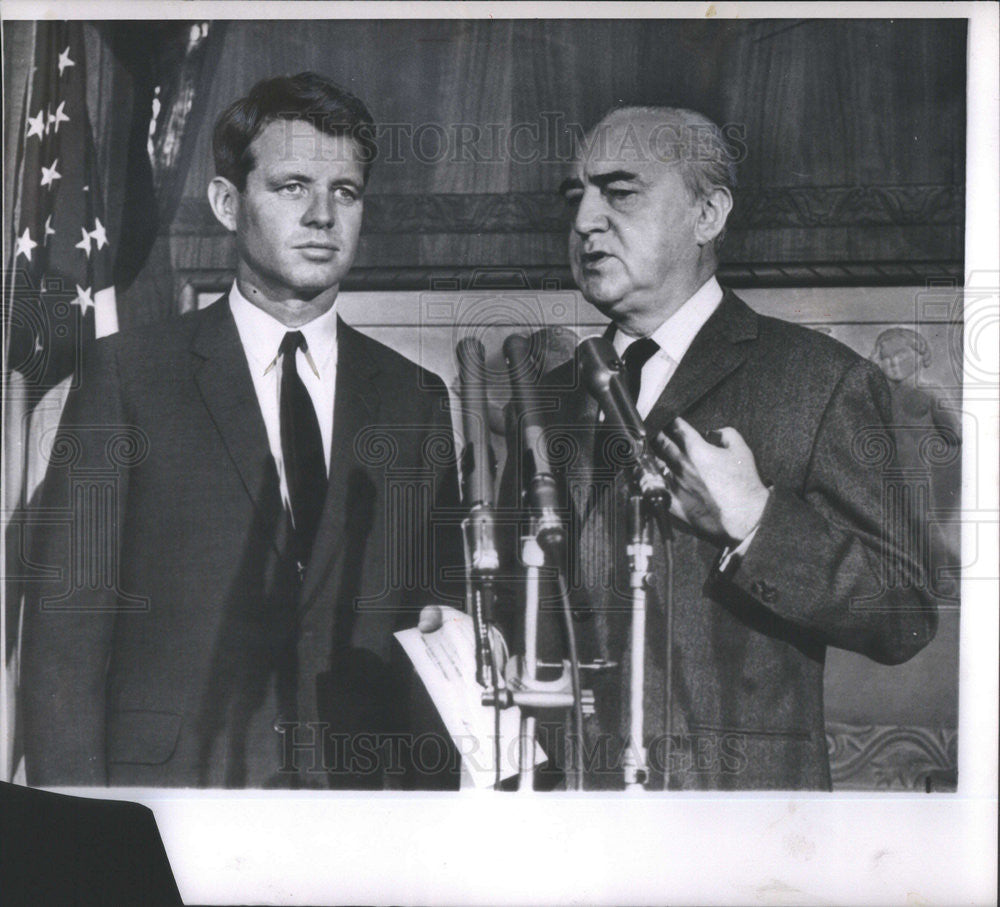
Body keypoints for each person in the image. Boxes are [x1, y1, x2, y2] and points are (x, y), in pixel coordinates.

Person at [20, 73, 463, 789]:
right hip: (170, 802)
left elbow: (444, 636)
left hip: (361, 812)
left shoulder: (414, 400)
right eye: (292, 187)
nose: (322, 214)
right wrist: (78, 838)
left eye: (345, 192)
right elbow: (64, 643)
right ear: (229, 203)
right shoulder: (130, 376)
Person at [499, 106, 937, 790]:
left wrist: (758, 522)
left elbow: (904, 615)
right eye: (576, 197)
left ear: (708, 214)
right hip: (568, 828)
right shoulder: (544, 401)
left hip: (741, 828)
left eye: (619, 192)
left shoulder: (821, 381)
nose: (585, 220)